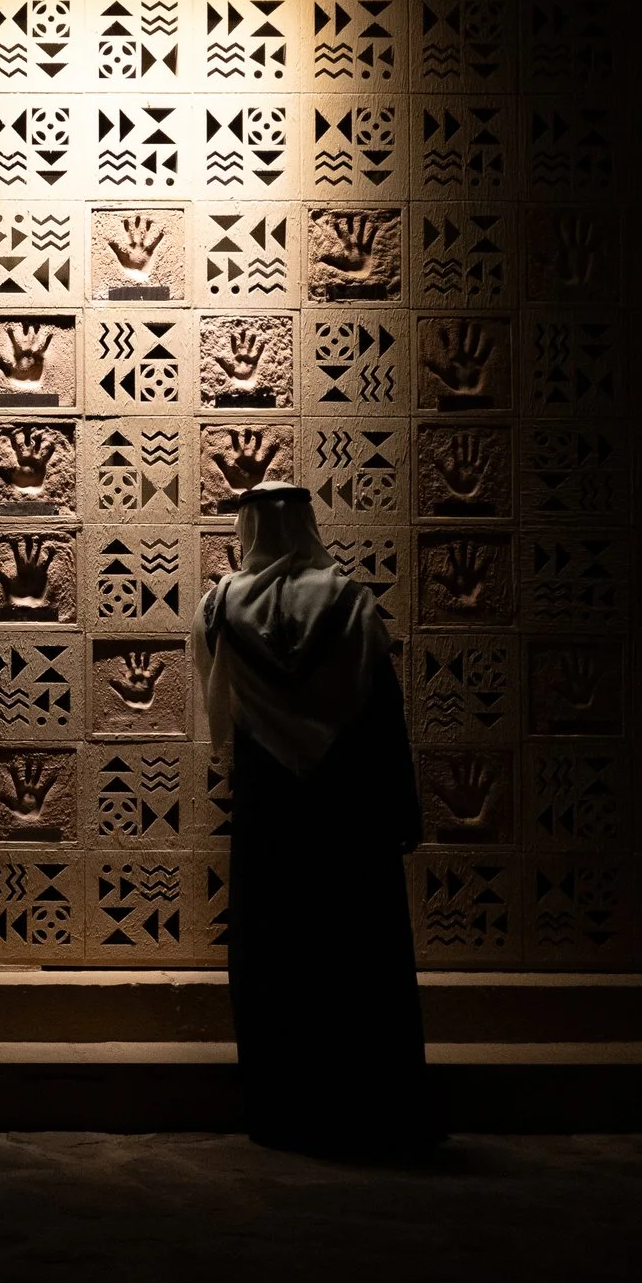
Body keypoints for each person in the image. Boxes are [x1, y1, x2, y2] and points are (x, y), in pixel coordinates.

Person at [195, 481, 438, 1155]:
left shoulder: (220, 605)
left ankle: (283, 1110)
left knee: (275, 951)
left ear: (249, 527)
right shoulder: (351, 602)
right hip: (346, 804)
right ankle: (367, 1109)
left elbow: (218, 702)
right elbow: (383, 709)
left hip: (270, 805)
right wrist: (402, 805)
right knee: (355, 952)